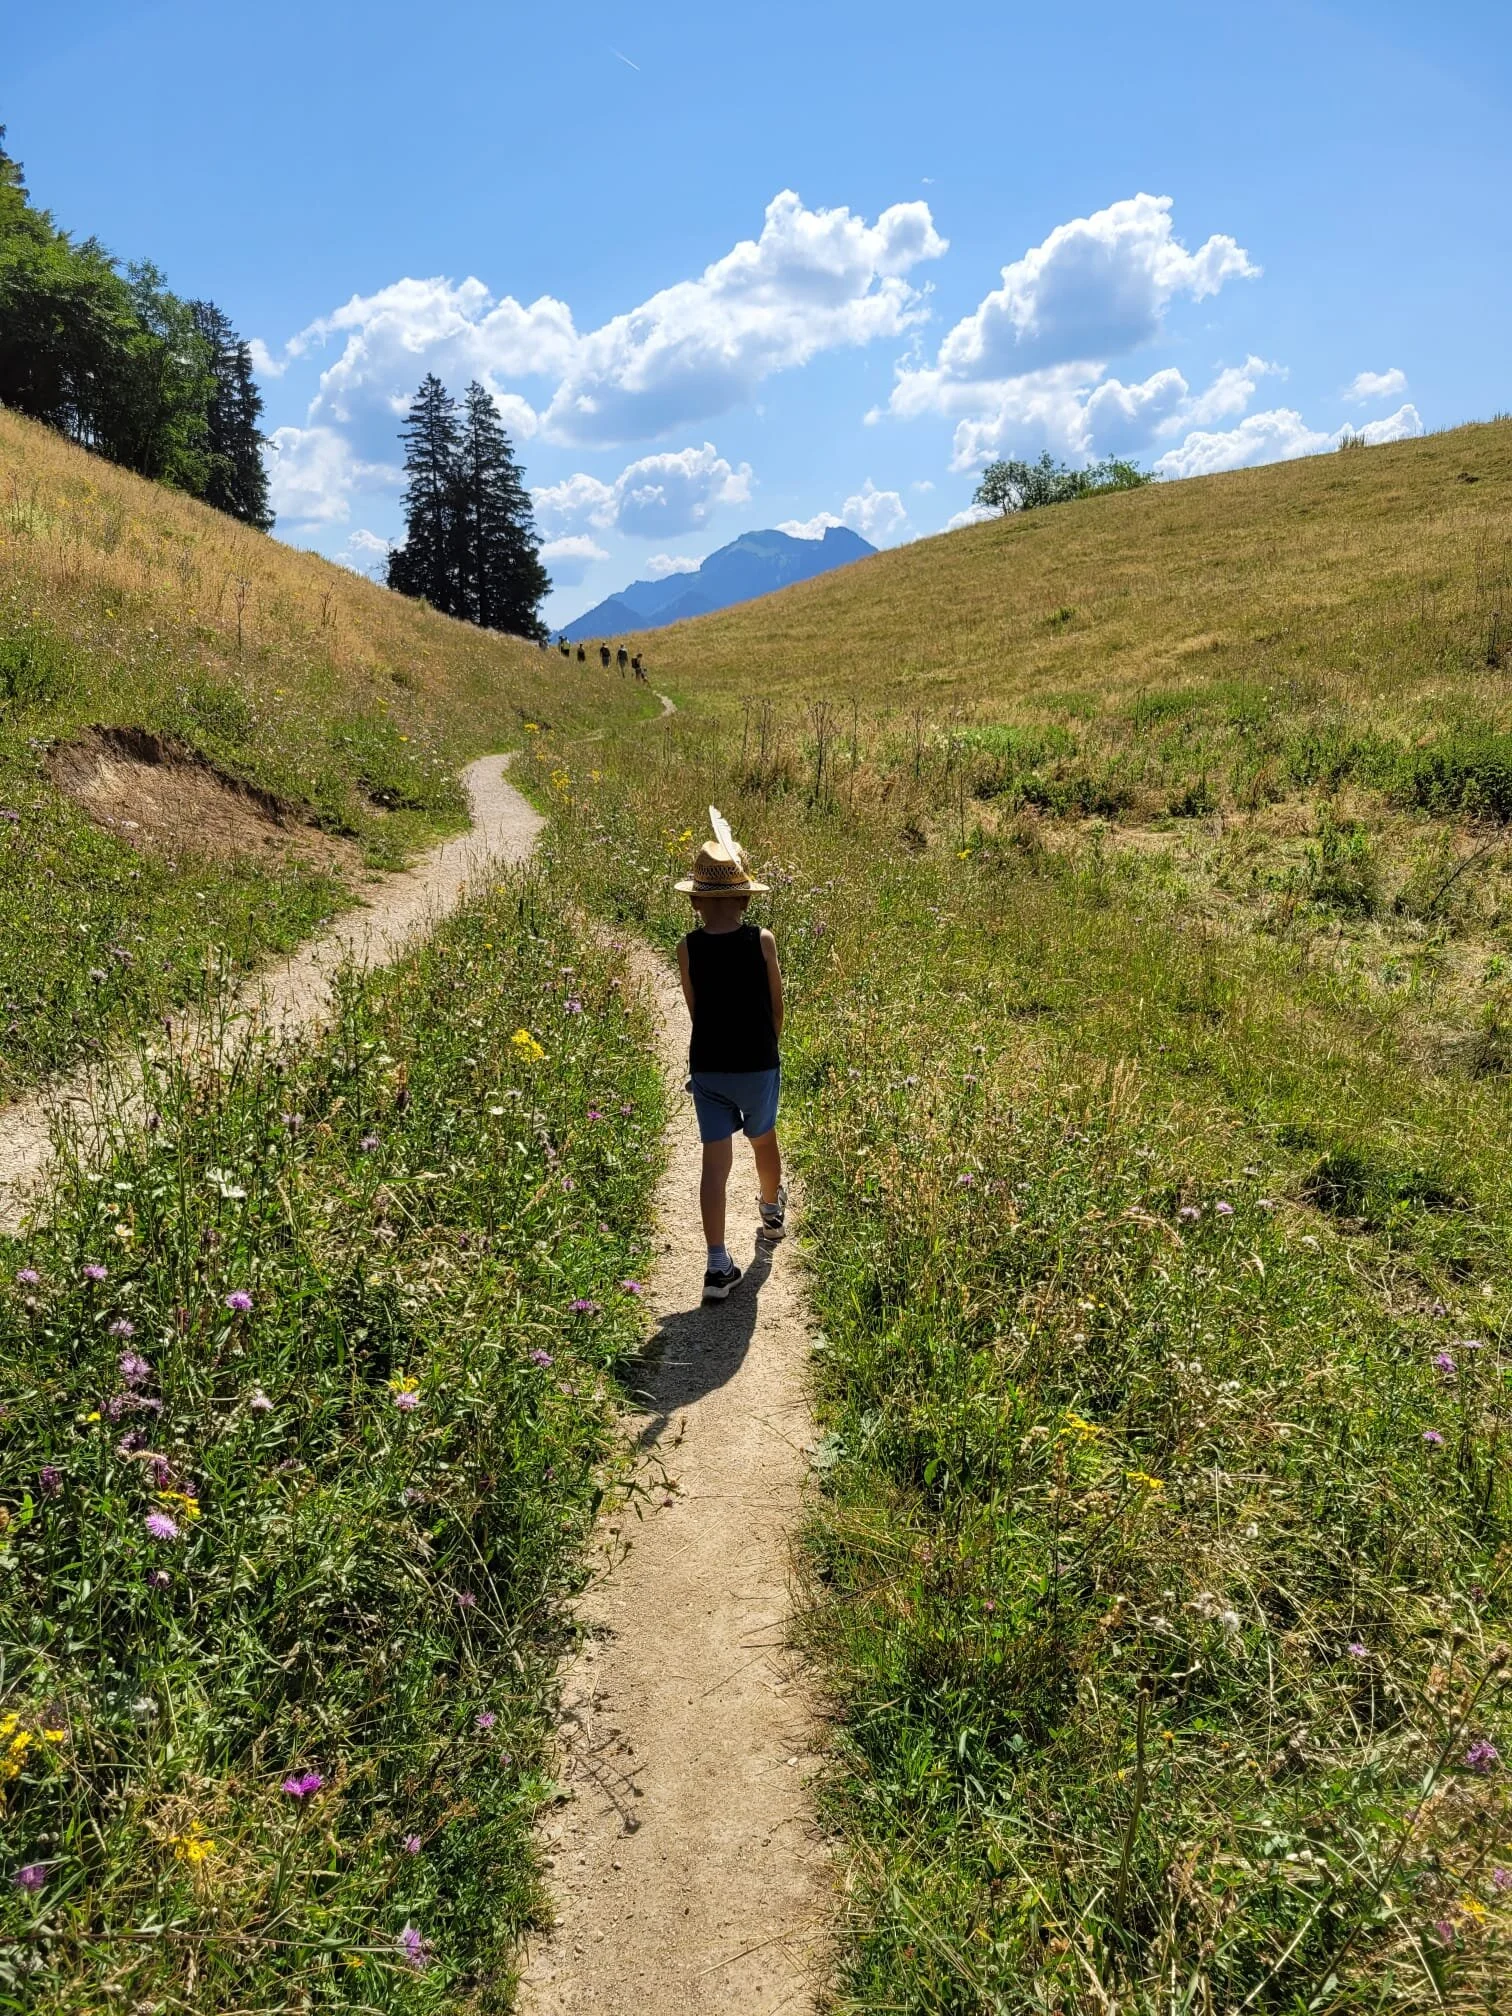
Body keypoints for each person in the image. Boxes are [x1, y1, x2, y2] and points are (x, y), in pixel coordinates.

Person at [675, 817, 787, 1302]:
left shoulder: (687, 947)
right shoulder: (762, 940)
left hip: (709, 1066)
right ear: (745, 899)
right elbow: (776, 1005)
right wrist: (768, 1048)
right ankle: (770, 1211)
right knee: (763, 1140)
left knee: (713, 1165)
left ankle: (717, 1263)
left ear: (695, 901)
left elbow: (694, 1006)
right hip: (757, 1063)